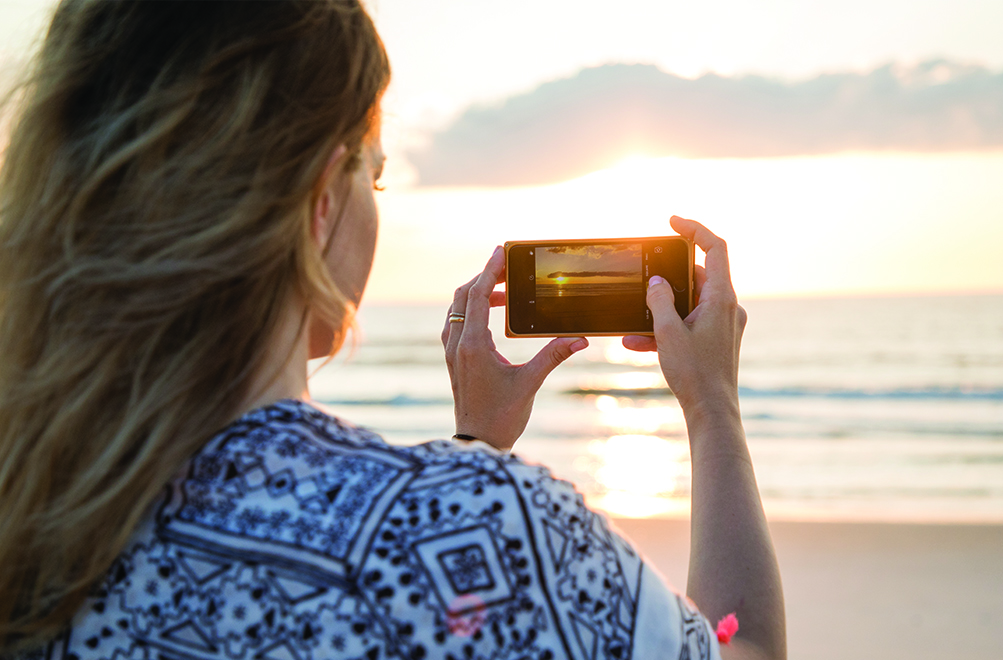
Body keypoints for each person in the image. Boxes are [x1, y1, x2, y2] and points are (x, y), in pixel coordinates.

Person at [0, 2, 785, 659]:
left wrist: (473, 449)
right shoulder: (491, 529)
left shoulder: (31, 518)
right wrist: (713, 405)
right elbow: (739, 647)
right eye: (371, 175)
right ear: (319, 202)